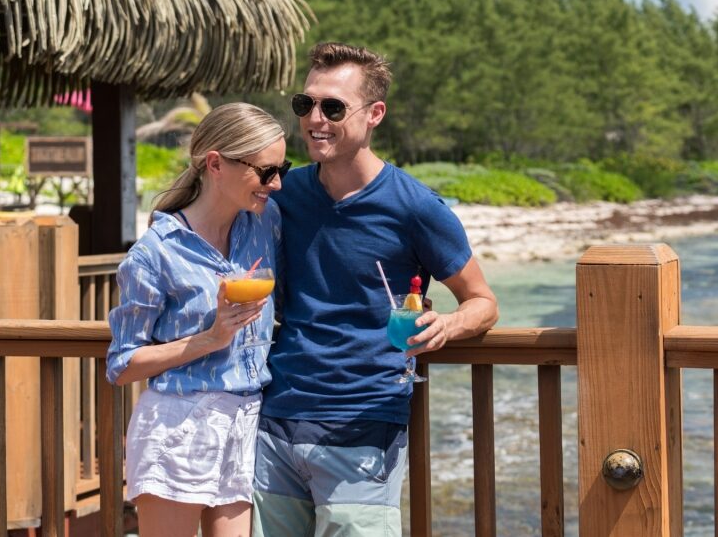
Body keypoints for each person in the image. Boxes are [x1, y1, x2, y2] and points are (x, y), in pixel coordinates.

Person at [253, 42, 499, 536]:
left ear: (375, 114)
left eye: (333, 107)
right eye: (306, 104)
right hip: (273, 421)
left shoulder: (416, 207)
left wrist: (447, 323)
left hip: (364, 427)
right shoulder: (284, 192)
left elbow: (483, 302)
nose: (314, 119)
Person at [106, 103, 292, 537]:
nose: (277, 183)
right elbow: (122, 364)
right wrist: (211, 338)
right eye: (266, 172)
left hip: (244, 420)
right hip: (178, 424)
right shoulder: (155, 253)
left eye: (282, 168)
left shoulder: (265, 225)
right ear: (215, 164)